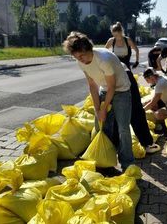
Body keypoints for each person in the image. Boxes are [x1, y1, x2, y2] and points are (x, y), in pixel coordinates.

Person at [63, 31, 134, 170]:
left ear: (88, 49)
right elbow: (92, 85)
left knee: (123, 129)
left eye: (82, 55)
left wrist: (104, 108)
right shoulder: (81, 62)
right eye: (76, 57)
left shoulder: (103, 59)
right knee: (101, 125)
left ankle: (127, 164)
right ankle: (105, 160)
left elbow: (113, 87)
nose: (80, 59)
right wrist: (97, 109)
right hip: (104, 89)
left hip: (121, 91)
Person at [106, 22, 160, 153]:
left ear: (121, 32)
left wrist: (136, 61)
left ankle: (145, 143)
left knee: (134, 107)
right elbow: (104, 52)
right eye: (114, 34)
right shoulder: (110, 41)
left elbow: (135, 49)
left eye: (118, 33)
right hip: (114, 75)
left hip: (126, 74)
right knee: (116, 109)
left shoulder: (127, 40)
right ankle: (113, 143)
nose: (116, 36)